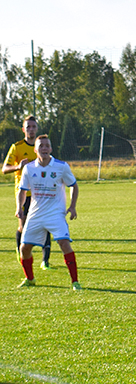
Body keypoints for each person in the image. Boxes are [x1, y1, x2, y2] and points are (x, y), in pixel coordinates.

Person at [16, 135, 81, 291]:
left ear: (51, 149)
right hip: (35, 214)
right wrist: (19, 207)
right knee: (24, 248)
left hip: (55, 214)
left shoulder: (61, 166)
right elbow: (22, 191)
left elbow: (74, 185)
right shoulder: (29, 168)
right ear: (35, 150)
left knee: (64, 243)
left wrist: (72, 206)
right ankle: (30, 279)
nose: (44, 148)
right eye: (41, 146)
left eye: (47, 146)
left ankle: (75, 282)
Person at [3, 116, 53, 268]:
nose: (31, 129)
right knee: (23, 226)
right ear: (24, 129)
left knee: (45, 225)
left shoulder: (41, 147)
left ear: (37, 129)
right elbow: (4, 169)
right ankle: (21, 251)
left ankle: (45, 261)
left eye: (33, 126)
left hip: (41, 194)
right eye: (28, 127)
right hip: (24, 194)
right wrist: (18, 167)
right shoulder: (17, 147)